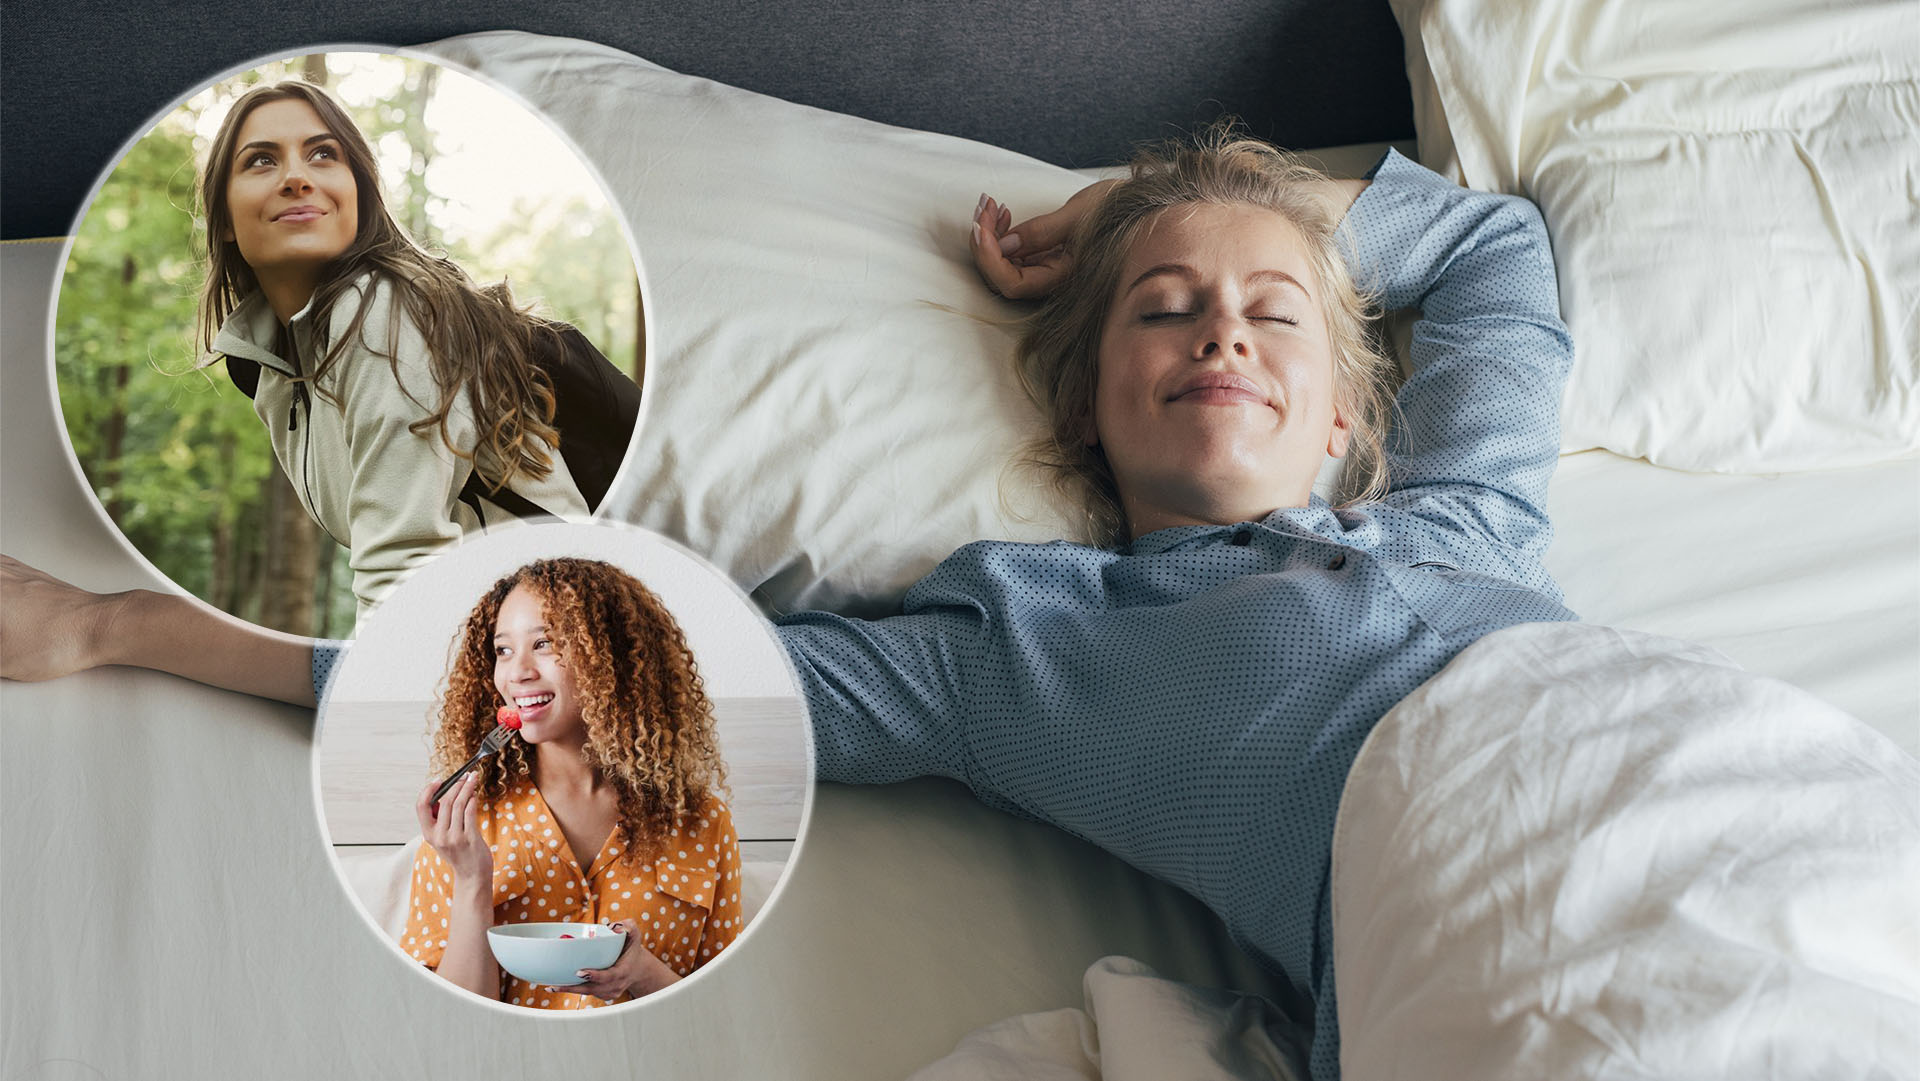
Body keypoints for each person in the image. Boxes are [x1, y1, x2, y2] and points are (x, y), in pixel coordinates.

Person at [3, 127, 1573, 1077]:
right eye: (1163, 313)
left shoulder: (1473, 520)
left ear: (1349, 419)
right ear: (1091, 409)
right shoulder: (1021, 647)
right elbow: (594, 672)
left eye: (1271, 312)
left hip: (1695, 759)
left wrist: (1126, 208)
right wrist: (115, 628)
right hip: (1502, 934)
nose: (1221, 332)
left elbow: (1496, 249)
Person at [196, 81, 601, 613]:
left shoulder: (378, 312)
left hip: (572, 637)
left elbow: (400, 580)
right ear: (224, 218)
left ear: (358, 192)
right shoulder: (270, 369)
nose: (297, 177)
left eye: (323, 154)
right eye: (261, 161)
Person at [406, 557, 741, 1008]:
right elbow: (448, 1022)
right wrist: (471, 880)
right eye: (503, 650)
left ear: (613, 658)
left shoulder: (703, 823)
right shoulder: (463, 825)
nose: (517, 671)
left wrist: (639, 973)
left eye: (544, 643)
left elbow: (723, 1009)